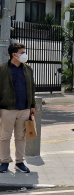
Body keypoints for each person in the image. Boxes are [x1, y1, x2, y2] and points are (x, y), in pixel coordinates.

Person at [0, 43, 36, 173]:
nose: (24, 55)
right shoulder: (2, 69)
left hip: (24, 109)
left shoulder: (28, 69)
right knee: (5, 137)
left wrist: (32, 106)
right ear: (14, 54)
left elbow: (32, 87)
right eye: (22, 52)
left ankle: (20, 162)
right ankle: (4, 161)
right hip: (7, 109)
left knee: (21, 136)